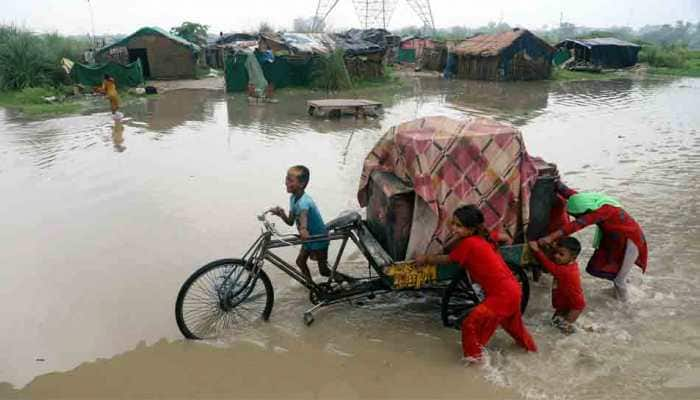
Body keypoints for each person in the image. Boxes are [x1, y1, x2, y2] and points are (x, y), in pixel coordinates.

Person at [416, 205, 537, 362]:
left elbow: (448, 259)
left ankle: (474, 360)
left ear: (471, 229)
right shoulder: (484, 236)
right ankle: (532, 352)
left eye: (458, 226)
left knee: (470, 324)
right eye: (453, 223)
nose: (453, 228)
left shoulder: (469, 244)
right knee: (514, 328)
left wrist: (425, 259)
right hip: (513, 289)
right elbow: (505, 238)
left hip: (501, 296)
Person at [538, 184, 648, 302]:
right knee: (605, 269)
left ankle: (627, 308)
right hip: (615, 240)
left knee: (619, 279)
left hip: (631, 241)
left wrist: (550, 237)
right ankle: (623, 290)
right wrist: (555, 183)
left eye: (578, 215)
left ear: (587, 211)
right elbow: (570, 194)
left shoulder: (604, 210)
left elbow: (578, 224)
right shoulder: (588, 203)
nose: (576, 217)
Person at [270, 166, 349, 285]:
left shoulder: (304, 202)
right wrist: (281, 214)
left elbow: (303, 216)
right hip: (308, 237)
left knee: (324, 270)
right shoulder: (293, 198)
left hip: (319, 238)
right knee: (300, 262)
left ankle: (350, 281)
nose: (286, 182)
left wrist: (303, 229)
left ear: (301, 184)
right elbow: (291, 221)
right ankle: (312, 287)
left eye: (290, 180)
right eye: (286, 179)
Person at [529, 237, 585, 334]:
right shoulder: (569, 264)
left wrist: (537, 250)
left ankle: (575, 337)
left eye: (561, 254)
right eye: (556, 253)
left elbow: (548, 265)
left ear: (573, 257)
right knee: (554, 323)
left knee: (564, 328)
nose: (556, 256)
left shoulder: (565, 271)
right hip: (565, 301)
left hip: (575, 306)